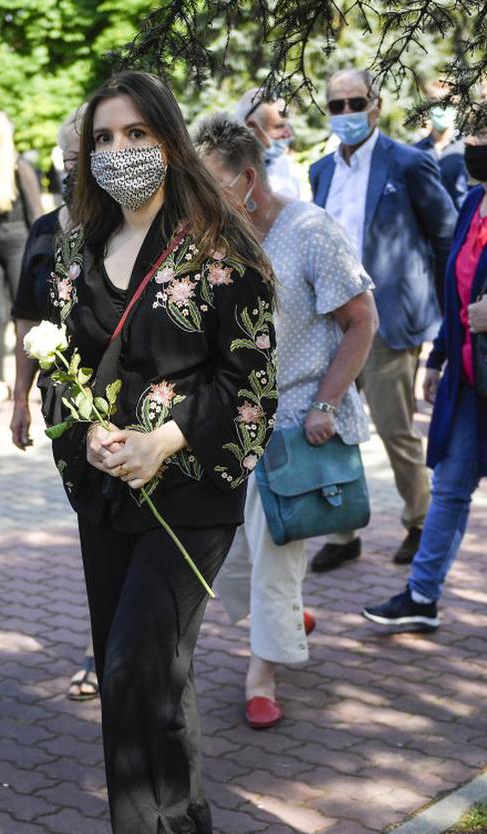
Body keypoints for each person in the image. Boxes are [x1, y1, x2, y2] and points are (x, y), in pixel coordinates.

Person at [36, 71, 277, 834]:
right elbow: (59, 371)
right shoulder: (69, 255)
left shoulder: (223, 250)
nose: (119, 153)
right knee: (150, 667)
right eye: (103, 139)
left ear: (170, 141)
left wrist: (162, 440)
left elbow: (250, 386)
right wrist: (85, 434)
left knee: (134, 668)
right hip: (104, 497)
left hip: (193, 494)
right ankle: (197, 826)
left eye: (137, 134)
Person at [195, 114, 377, 727]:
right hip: (234, 419)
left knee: (273, 549)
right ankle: (286, 617)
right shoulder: (215, 238)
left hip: (300, 420)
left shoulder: (311, 230)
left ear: (249, 177)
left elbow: (361, 321)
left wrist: (327, 404)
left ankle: (262, 674)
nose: (202, 198)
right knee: (235, 554)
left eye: (213, 184)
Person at [310, 69, 457, 571]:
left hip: (389, 323)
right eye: (336, 105)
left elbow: (446, 240)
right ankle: (344, 530)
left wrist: (443, 317)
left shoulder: (410, 163)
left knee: (395, 430)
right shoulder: (321, 172)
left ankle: (419, 521)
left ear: (375, 104)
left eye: (356, 102)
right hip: (332, 324)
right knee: (336, 429)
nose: (347, 113)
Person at [363, 133, 487, 631]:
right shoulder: (475, 201)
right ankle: (421, 595)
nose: (475, 143)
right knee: (451, 487)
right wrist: (437, 358)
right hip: (468, 379)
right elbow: (456, 292)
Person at [10, 107, 98, 702]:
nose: (72, 169)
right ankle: (106, 638)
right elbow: (24, 316)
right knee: (91, 520)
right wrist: (18, 396)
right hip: (61, 402)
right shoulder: (43, 229)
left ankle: (104, 649)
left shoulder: (122, 228)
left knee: (118, 523)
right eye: (64, 159)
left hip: (123, 403)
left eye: (80, 158)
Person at [0, 108, 42, 413]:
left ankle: (26, 383)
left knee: (23, 320)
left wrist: (40, 262)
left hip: (19, 250)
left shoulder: (19, 169)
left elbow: (38, 219)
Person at [235, 89, 300, 198]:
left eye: (287, 125)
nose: (288, 134)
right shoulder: (230, 172)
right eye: (279, 126)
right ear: (251, 127)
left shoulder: (285, 165)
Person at [414, 86, 468, 212]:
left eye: (447, 102)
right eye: (435, 102)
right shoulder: (416, 152)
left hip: (462, 227)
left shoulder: (468, 148)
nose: (441, 107)